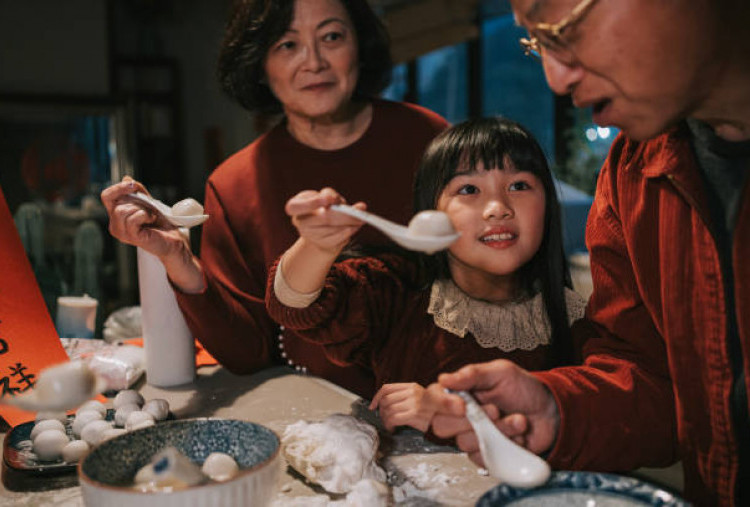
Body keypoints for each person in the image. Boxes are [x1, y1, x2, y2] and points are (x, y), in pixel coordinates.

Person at [426, 1, 750, 505]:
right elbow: (657, 384)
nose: (556, 80)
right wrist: (559, 410)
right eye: (538, 45)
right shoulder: (631, 171)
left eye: (561, 28)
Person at [100, 0, 448, 398]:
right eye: (287, 44)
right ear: (259, 64)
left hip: (442, 399)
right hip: (315, 419)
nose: (313, 61)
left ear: (360, 44)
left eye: (331, 36)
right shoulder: (233, 184)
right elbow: (248, 353)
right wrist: (177, 259)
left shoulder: (429, 139)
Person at [265, 117, 586, 433]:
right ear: (433, 212)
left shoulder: (583, 323)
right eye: (469, 188)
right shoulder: (395, 292)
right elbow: (295, 307)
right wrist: (316, 245)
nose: (498, 207)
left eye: (519, 185)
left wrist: (446, 412)